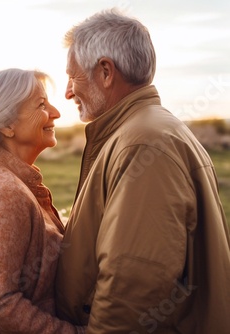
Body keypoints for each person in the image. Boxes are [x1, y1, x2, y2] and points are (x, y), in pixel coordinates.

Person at [55, 8, 230, 333]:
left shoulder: (144, 143)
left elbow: (133, 282)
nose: (67, 92)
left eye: (72, 75)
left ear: (105, 72)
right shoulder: (143, 132)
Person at [0, 68, 85, 333]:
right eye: (41, 105)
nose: (56, 113)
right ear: (6, 124)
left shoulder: (11, 183)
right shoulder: (1, 192)